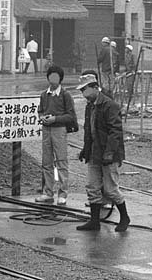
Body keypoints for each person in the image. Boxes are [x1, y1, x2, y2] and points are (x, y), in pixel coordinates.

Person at [76, 73, 131, 232]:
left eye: (85, 89)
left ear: (94, 87)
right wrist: (85, 150)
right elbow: (89, 130)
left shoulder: (109, 105)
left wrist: (109, 153)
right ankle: (94, 221)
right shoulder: (90, 106)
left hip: (108, 154)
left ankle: (125, 217)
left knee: (110, 189)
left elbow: (115, 131)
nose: (83, 93)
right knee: (92, 186)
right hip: (94, 153)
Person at [35, 66, 77, 205]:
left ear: (60, 78)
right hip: (46, 129)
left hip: (59, 130)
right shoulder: (43, 95)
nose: (53, 79)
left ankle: (63, 192)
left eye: (56, 76)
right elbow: (40, 111)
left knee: (61, 161)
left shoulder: (65, 95)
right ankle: (48, 192)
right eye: (50, 76)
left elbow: (70, 116)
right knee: (46, 162)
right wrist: (42, 117)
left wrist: (56, 119)